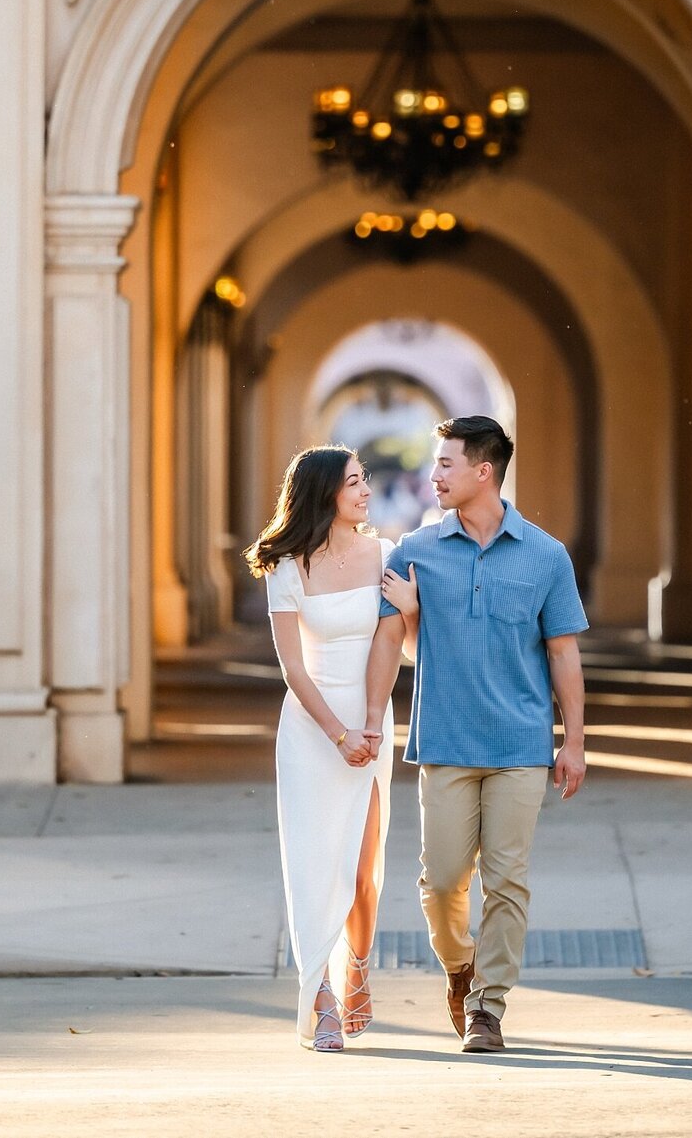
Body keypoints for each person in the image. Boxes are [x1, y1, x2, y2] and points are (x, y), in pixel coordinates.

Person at [362, 415, 588, 1054]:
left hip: (520, 744)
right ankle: (460, 966)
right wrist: (407, 615)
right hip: (445, 740)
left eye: (445, 464)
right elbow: (406, 648)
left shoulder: (546, 555)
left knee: (508, 878)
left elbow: (563, 653)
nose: (433, 475)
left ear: (482, 471)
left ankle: (488, 1006)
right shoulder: (416, 551)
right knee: (441, 881)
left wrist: (572, 741)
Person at [244, 447, 417, 1051]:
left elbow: (399, 645)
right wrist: (337, 734)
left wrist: (369, 724)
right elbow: (292, 669)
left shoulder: (389, 556)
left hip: (372, 718)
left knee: (364, 867)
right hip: (312, 730)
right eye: (354, 482)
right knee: (315, 865)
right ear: (325, 494)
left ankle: (358, 970)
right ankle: (318, 993)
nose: (366, 490)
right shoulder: (286, 568)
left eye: (364, 479)